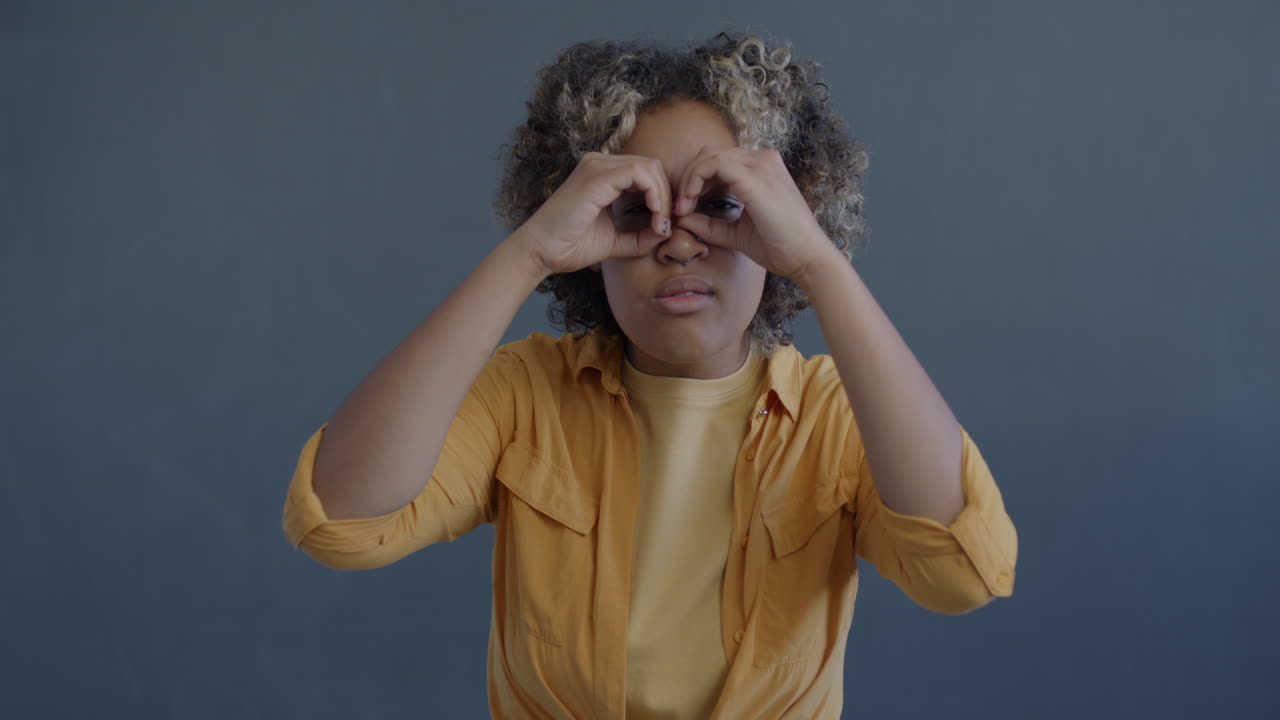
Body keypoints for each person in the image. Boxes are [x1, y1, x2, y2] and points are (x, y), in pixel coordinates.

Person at [281, 31, 1018, 719]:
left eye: (724, 206)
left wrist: (820, 262)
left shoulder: (839, 416)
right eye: (638, 209)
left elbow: (961, 574)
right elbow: (342, 520)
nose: (679, 245)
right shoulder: (527, 394)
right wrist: (528, 253)